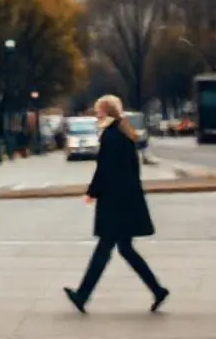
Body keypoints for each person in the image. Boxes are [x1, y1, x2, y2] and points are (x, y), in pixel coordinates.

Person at [64, 94, 169, 314]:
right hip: (126, 200)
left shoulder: (111, 136)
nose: (96, 115)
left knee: (105, 249)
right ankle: (157, 289)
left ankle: (82, 295)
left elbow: (104, 169)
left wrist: (93, 192)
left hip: (115, 202)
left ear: (108, 113)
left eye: (99, 111)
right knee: (125, 249)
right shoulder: (124, 133)